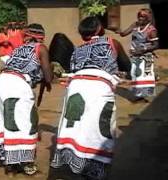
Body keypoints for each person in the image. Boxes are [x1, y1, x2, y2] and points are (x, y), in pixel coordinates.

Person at [50, 17, 131, 180]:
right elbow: (126, 66)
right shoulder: (111, 43)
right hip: (98, 88)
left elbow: (73, 69)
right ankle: (95, 170)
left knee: (78, 128)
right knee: (99, 128)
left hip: (76, 87)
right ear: (99, 28)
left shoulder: (77, 50)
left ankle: (77, 164)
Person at [0, 23, 53, 176]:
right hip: (17, 85)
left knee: (6, 120)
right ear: (41, 37)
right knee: (25, 123)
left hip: (1, 82)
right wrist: (52, 73)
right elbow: (48, 76)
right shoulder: (40, 48)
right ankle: (24, 163)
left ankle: (9, 160)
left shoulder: (17, 49)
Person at [116, 8, 159, 100]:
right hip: (135, 55)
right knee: (135, 74)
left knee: (144, 76)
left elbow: (156, 45)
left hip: (145, 56)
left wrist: (142, 50)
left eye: (143, 17)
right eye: (139, 16)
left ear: (148, 18)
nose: (140, 18)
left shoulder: (151, 30)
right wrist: (119, 31)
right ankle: (139, 95)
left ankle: (145, 96)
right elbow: (124, 33)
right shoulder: (135, 25)